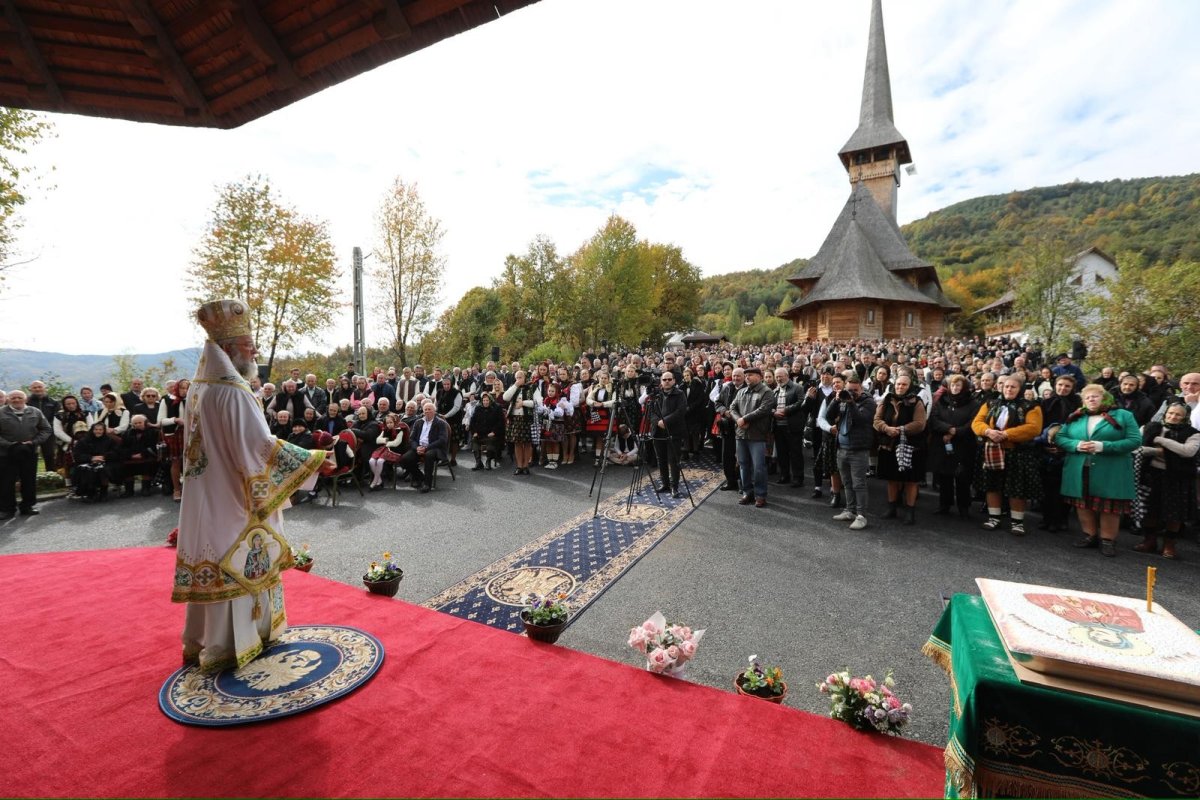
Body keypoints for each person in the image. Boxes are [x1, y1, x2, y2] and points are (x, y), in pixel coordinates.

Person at [173, 299, 327, 673]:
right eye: (247, 344)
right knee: (239, 559)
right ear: (227, 350)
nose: (254, 349)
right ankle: (235, 645)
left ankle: (205, 642)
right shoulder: (233, 391)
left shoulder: (198, 388)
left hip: (209, 494)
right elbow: (257, 449)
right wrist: (312, 459)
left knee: (217, 555)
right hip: (236, 499)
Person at [1058, 384, 1142, 557]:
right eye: (1087, 397)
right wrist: (1076, 445)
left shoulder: (1124, 415)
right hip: (1079, 467)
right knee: (1083, 503)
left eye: (1095, 396)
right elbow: (1060, 437)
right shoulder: (1076, 417)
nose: (1091, 399)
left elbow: (1134, 441)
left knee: (1109, 506)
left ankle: (1108, 540)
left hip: (1112, 469)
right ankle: (1090, 535)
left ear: (1104, 398)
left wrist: (1103, 446)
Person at [971, 374, 1044, 535]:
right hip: (992, 449)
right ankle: (994, 518)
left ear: (1020, 389)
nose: (1009, 389)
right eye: (1006, 386)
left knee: (1016, 488)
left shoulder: (1031, 406)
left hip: (1017, 453)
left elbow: (1034, 428)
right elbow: (977, 422)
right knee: (992, 485)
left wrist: (1006, 434)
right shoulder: (990, 403)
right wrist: (988, 431)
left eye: (1013, 387)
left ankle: (1017, 522)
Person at [1135, 402, 1199, 559]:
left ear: (1185, 417)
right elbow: (1138, 447)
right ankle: (1149, 541)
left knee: (1174, 514)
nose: (1173, 417)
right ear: (1165, 413)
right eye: (1170, 413)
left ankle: (1169, 544)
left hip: (1179, 478)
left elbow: (1188, 452)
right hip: (1152, 474)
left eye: (1178, 414)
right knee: (1151, 510)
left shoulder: (1194, 433)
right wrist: (1159, 451)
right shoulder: (1150, 427)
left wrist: (1161, 441)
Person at [874, 372, 927, 524]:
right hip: (889, 445)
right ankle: (892, 508)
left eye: (904, 384)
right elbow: (876, 420)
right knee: (891, 478)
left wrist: (900, 429)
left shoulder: (916, 401)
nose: (900, 387)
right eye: (898, 384)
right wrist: (886, 428)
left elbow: (919, 424)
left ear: (909, 386)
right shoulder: (887, 399)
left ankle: (910, 511)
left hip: (911, 447)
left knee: (911, 481)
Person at [926, 374, 980, 518]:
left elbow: (973, 423)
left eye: (958, 385)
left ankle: (964, 507)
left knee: (962, 477)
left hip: (964, 444)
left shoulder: (973, 403)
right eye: (952, 385)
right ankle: (945, 505)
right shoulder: (941, 401)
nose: (955, 388)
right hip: (943, 443)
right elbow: (934, 419)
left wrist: (956, 431)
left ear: (964, 387)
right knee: (944, 476)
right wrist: (949, 429)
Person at [828, 373, 876, 530]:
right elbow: (829, 416)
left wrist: (851, 402)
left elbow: (861, 420)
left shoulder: (868, 402)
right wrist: (836, 400)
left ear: (861, 388)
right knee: (847, 482)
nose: (852, 393)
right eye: (849, 390)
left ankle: (861, 515)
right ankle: (850, 510)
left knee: (859, 484)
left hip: (858, 450)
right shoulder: (841, 398)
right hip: (842, 448)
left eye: (855, 390)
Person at [0, 390, 53, 519]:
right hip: (6, 454)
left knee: (29, 480)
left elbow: (46, 429)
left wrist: (34, 442)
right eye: (13, 397)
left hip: (29, 452)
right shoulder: (1, 412)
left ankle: (27, 506)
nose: (16, 400)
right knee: (6, 482)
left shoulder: (35, 412)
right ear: (8, 399)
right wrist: (10, 444)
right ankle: (7, 509)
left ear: (25, 399)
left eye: (19, 397)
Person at [730, 366, 774, 508]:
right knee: (743, 465)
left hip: (757, 435)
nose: (747, 377)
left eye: (751, 375)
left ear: (759, 377)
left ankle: (760, 495)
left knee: (759, 467)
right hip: (741, 434)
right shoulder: (741, 391)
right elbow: (732, 408)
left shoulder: (766, 392)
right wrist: (738, 420)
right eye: (746, 375)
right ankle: (747, 492)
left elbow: (764, 409)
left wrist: (745, 419)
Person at [647, 371, 687, 498]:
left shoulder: (680, 394)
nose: (667, 381)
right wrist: (657, 422)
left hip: (673, 431)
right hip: (658, 431)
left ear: (674, 381)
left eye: (670, 379)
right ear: (661, 382)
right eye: (664, 380)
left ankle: (674, 486)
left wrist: (665, 421)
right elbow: (651, 412)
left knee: (673, 460)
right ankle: (665, 484)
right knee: (661, 459)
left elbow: (681, 411)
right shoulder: (656, 395)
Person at [399, 401, 450, 493]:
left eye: (429, 409)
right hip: (419, 447)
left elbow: (442, 440)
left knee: (429, 456)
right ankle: (419, 476)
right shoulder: (418, 422)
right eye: (425, 409)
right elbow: (411, 439)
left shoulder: (441, 423)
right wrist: (417, 448)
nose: (427, 411)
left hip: (434, 448)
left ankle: (427, 484)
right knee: (404, 459)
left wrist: (426, 448)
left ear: (434, 411)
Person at [771, 367, 807, 488]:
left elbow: (801, 402)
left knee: (795, 453)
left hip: (793, 426)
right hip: (778, 426)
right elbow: (769, 406)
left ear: (787, 376)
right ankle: (784, 475)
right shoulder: (775, 390)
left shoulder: (798, 387)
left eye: (780, 376)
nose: (778, 379)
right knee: (782, 453)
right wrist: (773, 412)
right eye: (776, 377)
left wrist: (785, 410)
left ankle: (798, 478)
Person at [72, 421, 119, 502]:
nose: (98, 431)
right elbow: (77, 455)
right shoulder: (83, 441)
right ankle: (90, 492)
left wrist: (104, 457)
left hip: (107, 461)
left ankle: (103, 492)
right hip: (87, 461)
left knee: (104, 469)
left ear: (104, 430)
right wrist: (91, 458)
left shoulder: (110, 440)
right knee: (85, 469)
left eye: (100, 430)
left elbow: (116, 452)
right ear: (92, 430)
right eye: (96, 429)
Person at [158, 379, 189, 501]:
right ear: (176, 388)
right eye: (181, 388)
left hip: (190, 434)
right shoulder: (166, 400)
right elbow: (160, 420)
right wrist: (175, 420)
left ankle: (191, 489)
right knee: (175, 462)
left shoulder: (192, 400)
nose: (184, 390)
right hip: (174, 434)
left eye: (187, 388)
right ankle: (177, 490)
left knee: (191, 462)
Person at [503, 371, 538, 475]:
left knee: (527, 443)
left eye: (520, 377)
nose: (518, 379)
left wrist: (523, 403)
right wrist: (515, 385)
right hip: (515, 419)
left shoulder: (532, 387)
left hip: (527, 418)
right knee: (517, 443)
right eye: (517, 377)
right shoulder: (513, 387)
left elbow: (537, 403)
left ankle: (526, 466)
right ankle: (519, 466)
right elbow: (505, 397)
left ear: (525, 377)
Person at [119, 414, 159, 497]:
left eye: (139, 422)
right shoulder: (126, 433)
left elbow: (154, 446)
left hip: (147, 455)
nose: (137, 425)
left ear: (145, 422)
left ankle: (146, 489)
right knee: (125, 465)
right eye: (135, 423)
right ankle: (129, 491)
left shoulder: (153, 432)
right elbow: (122, 448)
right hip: (131, 456)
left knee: (148, 464)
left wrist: (143, 454)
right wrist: (131, 455)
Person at [25, 381, 60, 472]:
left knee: (49, 455)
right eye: (35, 387)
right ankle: (29, 478)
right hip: (31, 432)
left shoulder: (54, 402)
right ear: (31, 389)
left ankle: (51, 477)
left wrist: (46, 428)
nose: (37, 389)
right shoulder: (26, 402)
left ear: (45, 388)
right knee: (30, 455)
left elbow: (56, 418)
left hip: (48, 433)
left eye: (39, 387)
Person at [368, 413, 408, 489]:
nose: (389, 425)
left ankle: (375, 481)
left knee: (380, 461)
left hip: (395, 450)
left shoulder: (400, 431)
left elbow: (396, 443)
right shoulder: (385, 430)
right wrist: (385, 440)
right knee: (371, 461)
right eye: (387, 423)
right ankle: (379, 480)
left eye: (391, 422)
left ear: (395, 422)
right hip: (384, 449)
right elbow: (377, 440)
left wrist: (386, 443)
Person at [470, 391, 505, 470]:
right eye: (484, 400)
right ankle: (478, 462)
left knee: (491, 441)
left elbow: (501, 422)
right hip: (480, 433)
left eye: (487, 400)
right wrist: (474, 432)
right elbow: (472, 421)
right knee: (474, 440)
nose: (485, 402)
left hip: (492, 433)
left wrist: (494, 432)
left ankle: (488, 461)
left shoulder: (497, 408)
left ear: (490, 400)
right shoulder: (478, 408)